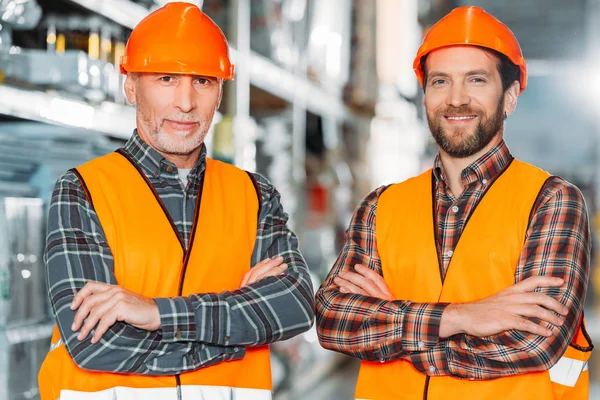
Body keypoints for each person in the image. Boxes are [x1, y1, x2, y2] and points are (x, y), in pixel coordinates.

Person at [38, 3, 314, 399]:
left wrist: (154, 314)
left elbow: (295, 306)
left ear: (220, 91)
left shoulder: (255, 195)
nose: (186, 103)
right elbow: (96, 342)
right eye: (167, 78)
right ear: (131, 86)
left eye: (202, 81)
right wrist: (239, 335)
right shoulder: (83, 190)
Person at [315, 6, 592, 400]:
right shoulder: (381, 206)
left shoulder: (552, 202)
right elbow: (332, 320)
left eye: (476, 80)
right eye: (440, 81)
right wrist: (461, 317)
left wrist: (392, 325)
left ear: (510, 96)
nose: (456, 99)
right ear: (425, 95)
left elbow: (532, 344)